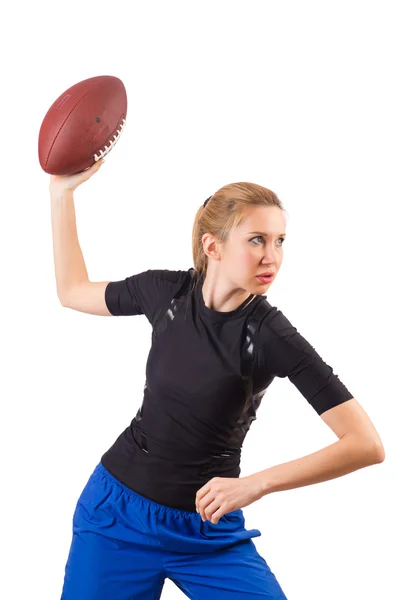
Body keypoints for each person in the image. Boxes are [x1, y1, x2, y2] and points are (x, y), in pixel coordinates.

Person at [50, 159, 385, 600]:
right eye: (257, 240)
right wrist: (62, 194)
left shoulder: (271, 335)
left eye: (280, 241)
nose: (273, 257)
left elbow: (366, 444)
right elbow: (72, 291)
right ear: (213, 246)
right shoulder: (163, 293)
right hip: (117, 515)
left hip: (207, 530)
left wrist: (256, 484)